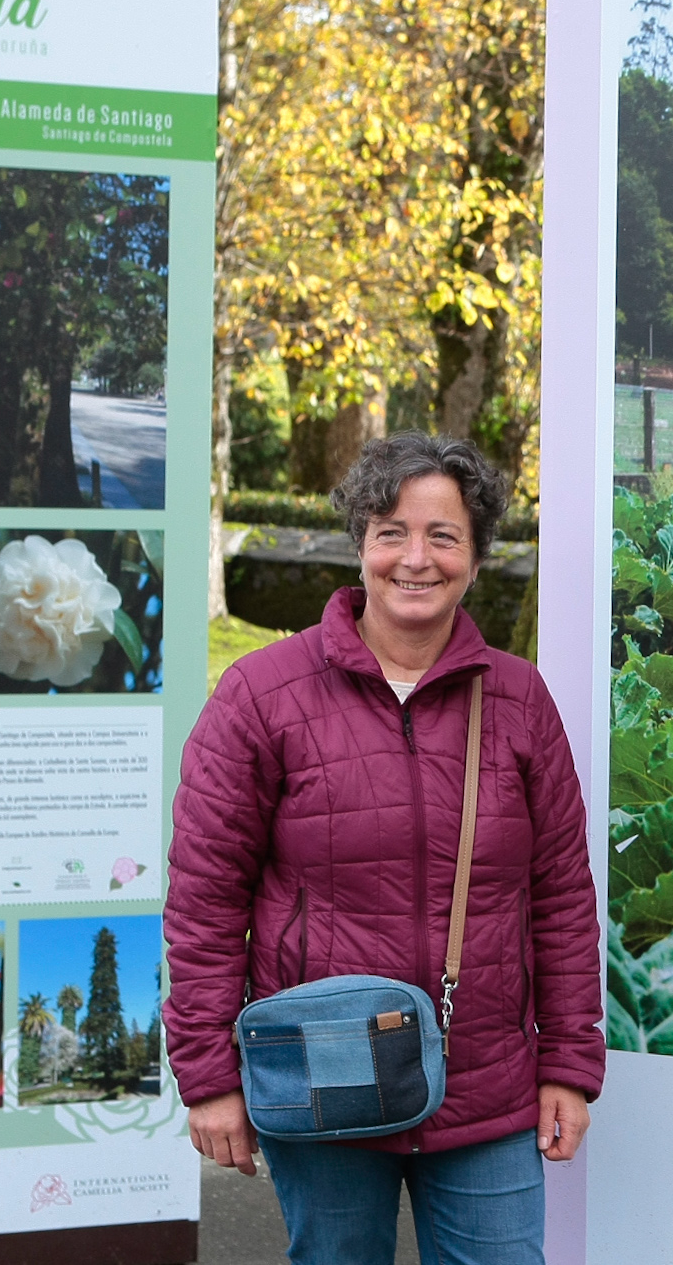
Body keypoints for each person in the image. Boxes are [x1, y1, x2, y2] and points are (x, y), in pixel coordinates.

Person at [165, 434, 602, 1265]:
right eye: (392, 532)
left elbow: (561, 899)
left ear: (477, 556)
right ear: (361, 542)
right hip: (322, 1075)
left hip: (487, 1086)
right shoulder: (262, 695)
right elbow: (204, 903)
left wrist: (569, 1064)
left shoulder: (518, 700)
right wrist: (211, 1077)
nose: (416, 559)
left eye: (444, 536)